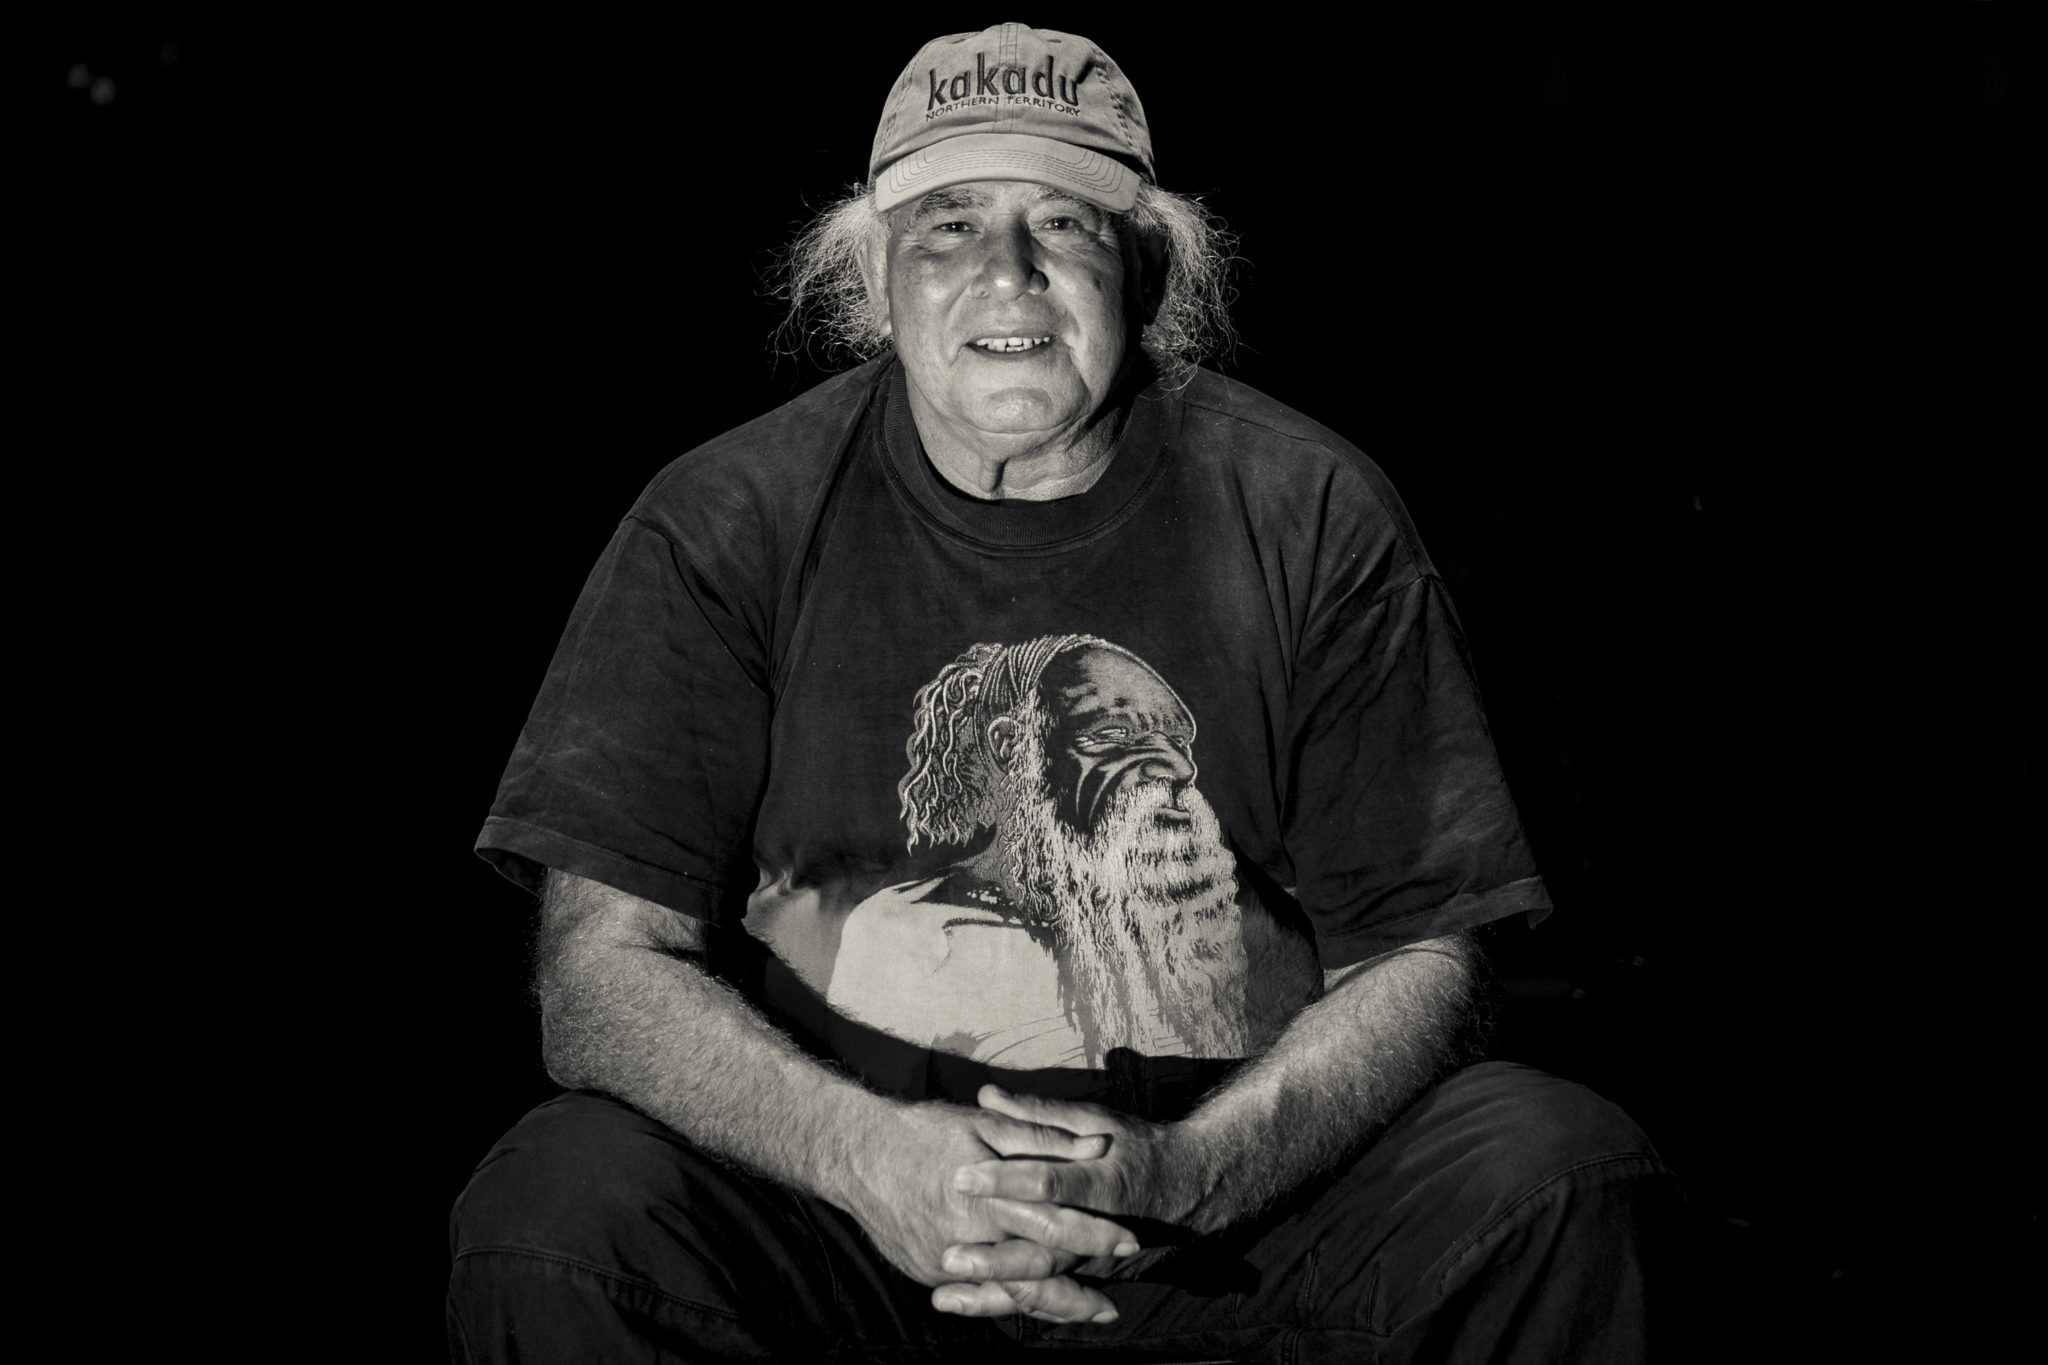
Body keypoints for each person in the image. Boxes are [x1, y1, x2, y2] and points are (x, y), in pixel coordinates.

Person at [449, 23, 1685, 1363]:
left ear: (1145, 269)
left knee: (1557, 1173)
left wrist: (1193, 1171)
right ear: (872, 276)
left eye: (1064, 223)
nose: (1009, 272)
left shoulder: (1310, 511)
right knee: (557, 1212)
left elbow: (1424, 954)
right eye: (950, 226)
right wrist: (864, 1156)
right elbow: (602, 968)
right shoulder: (722, 520)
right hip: (838, 1205)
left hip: (1230, 1206)